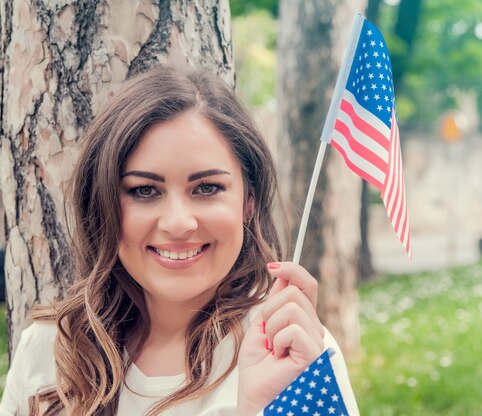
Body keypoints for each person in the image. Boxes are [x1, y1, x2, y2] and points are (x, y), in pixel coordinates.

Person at [0, 66, 359, 415]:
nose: (178, 223)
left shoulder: (292, 348)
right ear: (104, 204)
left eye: (207, 188)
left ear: (248, 202)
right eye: (143, 190)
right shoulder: (50, 349)